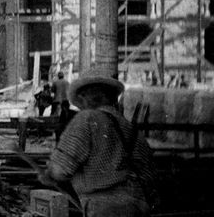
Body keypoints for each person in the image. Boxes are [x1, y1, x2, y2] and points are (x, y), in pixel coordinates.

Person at [44, 70, 155, 216]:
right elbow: (148, 175)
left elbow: (60, 169)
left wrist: (49, 174)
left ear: (85, 98)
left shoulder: (86, 119)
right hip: (138, 206)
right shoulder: (130, 128)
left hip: (103, 208)